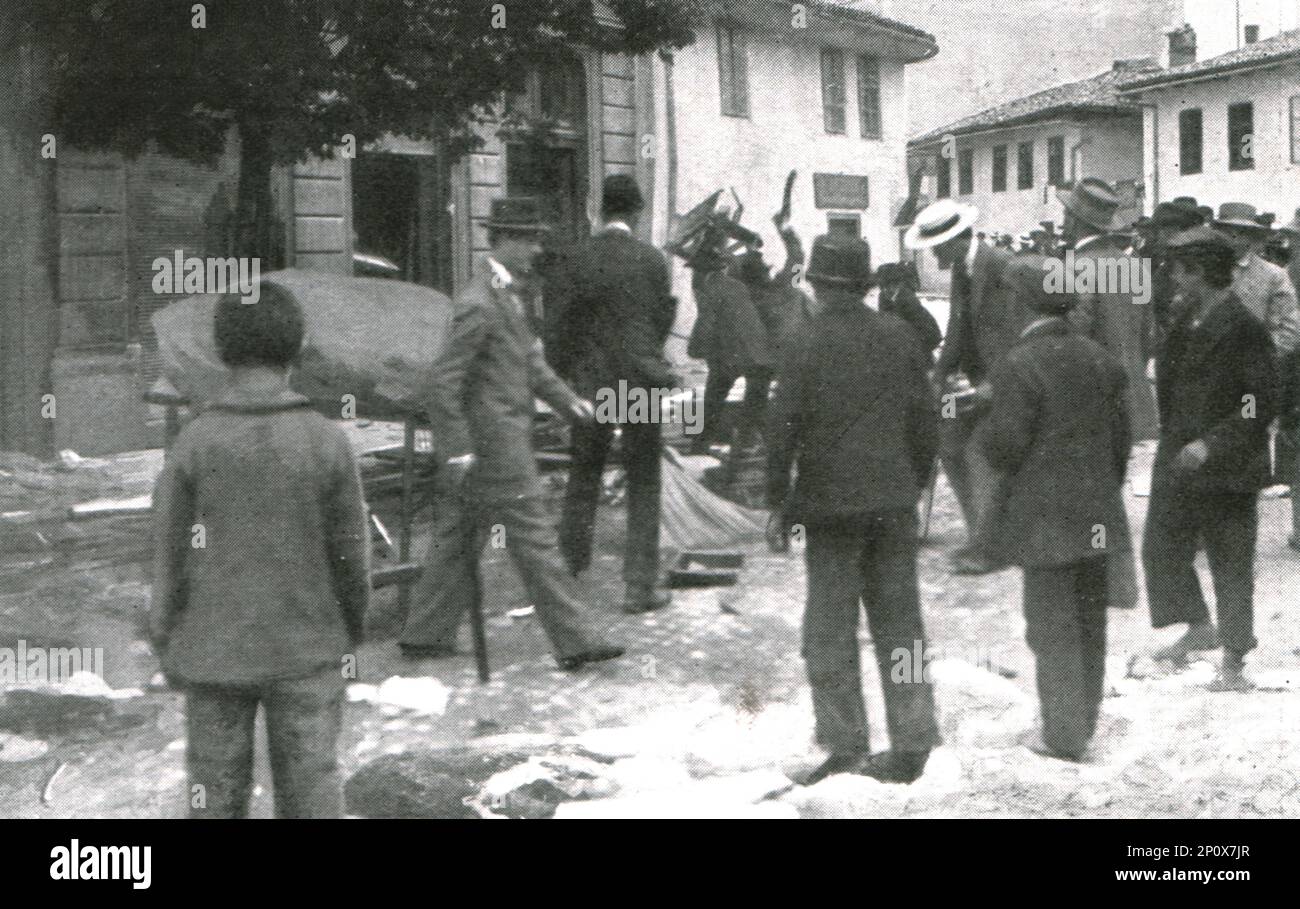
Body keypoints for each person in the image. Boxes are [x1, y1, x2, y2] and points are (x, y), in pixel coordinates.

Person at [150, 283, 370, 818]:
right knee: (313, 786)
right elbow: (352, 557)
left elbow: (168, 553)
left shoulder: (195, 442)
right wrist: (349, 628)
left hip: (212, 650)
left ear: (223, 352)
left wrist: (165, 633)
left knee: (214, 790)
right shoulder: (326, 441)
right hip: (308, 647)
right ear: (297, 349)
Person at [400, 197, 624, 670]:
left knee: (458, 538)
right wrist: (458, 451)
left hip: (493, 446)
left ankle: (425, 633)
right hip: (494, 449)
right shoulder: (479, 303)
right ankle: (577, 640)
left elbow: (531, 362)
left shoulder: (506, 294)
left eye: (537, 239)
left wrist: (569, 401)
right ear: (501, 241)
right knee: (536, 541)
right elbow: (444, 384)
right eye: (527, 240)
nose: (536, 248)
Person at [767, 233, 940, 786]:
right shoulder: (902, 337)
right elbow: (925, 426)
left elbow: (782, 430)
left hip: (831, 509)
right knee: (901, 629)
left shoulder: (803, 341)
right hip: (891, 505)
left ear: (818, 285)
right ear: (863, 288)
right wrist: (908, 485)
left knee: (829, 629)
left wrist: (779, 501)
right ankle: (914, 742)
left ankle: (845, 745)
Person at [981, 256, 1131, 761]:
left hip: (1045, 518)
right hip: (1096, 514)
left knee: (1050, 624)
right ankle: (1082, 722)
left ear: (1023, 302)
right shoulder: (1101, 359)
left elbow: (1006, 447)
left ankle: (1063, 737)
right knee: (1090, 618)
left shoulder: (1018, 364)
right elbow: (1121, 443)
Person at [1142, 226, 1278, 691]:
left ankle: (1236, 658)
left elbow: (1258, 403)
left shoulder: (1244, 327)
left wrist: (1212, 444)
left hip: (1227, 465)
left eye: (1178, 270)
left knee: (1230, 562)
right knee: (1162, 547)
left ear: (1199, 272)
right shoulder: (1186, 317)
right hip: (1178, 453)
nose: (1173, 279)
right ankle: (1199, 626)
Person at [548, 176, 678, 614]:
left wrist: (561, 381)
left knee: (584, 472)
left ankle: (568, 570)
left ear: (599, 211)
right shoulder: (652, 260)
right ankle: (639, 586)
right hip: (639, 383)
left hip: (593, 385)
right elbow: (661, 321)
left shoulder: (575, 258)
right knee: (644, 479)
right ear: (637, 213)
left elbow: (560, 328)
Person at [904, 199, 1026, 575]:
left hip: (1007, 384)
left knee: (979, 454)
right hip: (973, 385)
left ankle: (991, 547)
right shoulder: (961, 268)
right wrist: (939, 375)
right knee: (950, 442)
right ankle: (980, 535)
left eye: (937, 246)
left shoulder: (1003, 266)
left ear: (957, 239)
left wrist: (995, 383)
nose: (934, 254)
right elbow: (957, 327)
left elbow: (1020, 333)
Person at [689, 239, 773, 453]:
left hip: (732, 355)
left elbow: (706, 323)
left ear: (701, 271)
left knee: (713, 400)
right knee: (755, 401)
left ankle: (700, 447)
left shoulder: (710, 288)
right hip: (759, 355)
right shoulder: (736, 285)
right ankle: (748, 443)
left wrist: (695, 349)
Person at [1212, 202, 1300, 356]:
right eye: (1225, 232)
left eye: (1240, 232)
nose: (1233, 238)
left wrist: (1256, 359)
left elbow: (1289, 330)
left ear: (1251, 237)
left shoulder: (1273, 275)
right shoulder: (1204, 270)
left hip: (1254, 367)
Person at [876, 261, 942, 358]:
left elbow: (922, 329)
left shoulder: (908, 300)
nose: (886, 290)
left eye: (891, 286)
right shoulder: (883, 297)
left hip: (926, 339)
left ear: (899, 284)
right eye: (883, 286)